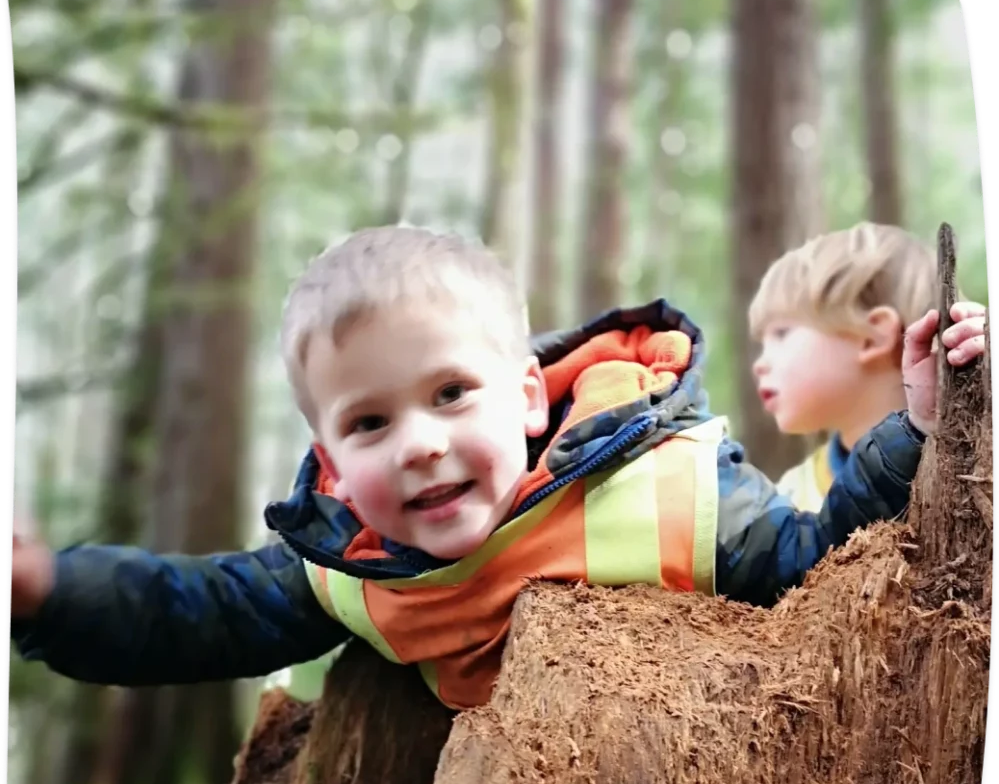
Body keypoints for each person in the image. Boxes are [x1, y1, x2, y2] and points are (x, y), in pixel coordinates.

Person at [7, 225, 986, 711]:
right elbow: (197, 612)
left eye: (450, 395)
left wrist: (913, 428)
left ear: (524, 395)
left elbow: (821, 563)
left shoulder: (667, 489)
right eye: (370, 421)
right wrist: (47, 591)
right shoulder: (352, 569)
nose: (420, 442)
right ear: (333, 462)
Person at [749, 221, 986, 511]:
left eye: (781, 333)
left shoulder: (981, 466)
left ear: (872, 337)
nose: (759, 364)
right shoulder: (787, 500)